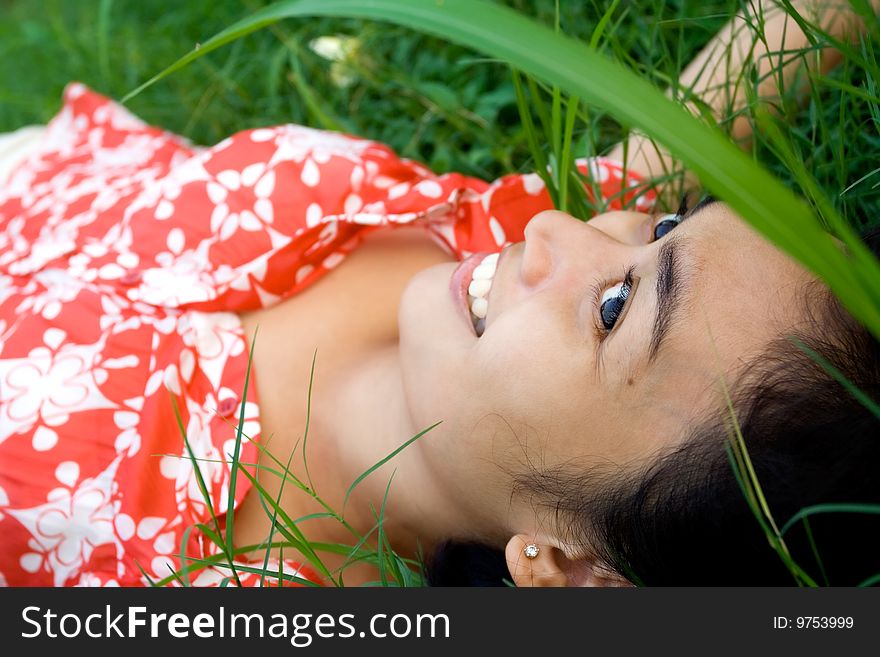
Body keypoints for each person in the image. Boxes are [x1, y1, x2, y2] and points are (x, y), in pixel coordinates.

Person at [0, 0, 878, 587]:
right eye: (659, 233)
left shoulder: (212, 587)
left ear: (571, 565)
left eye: (615, 311)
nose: (553, 235)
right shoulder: (513, 229)